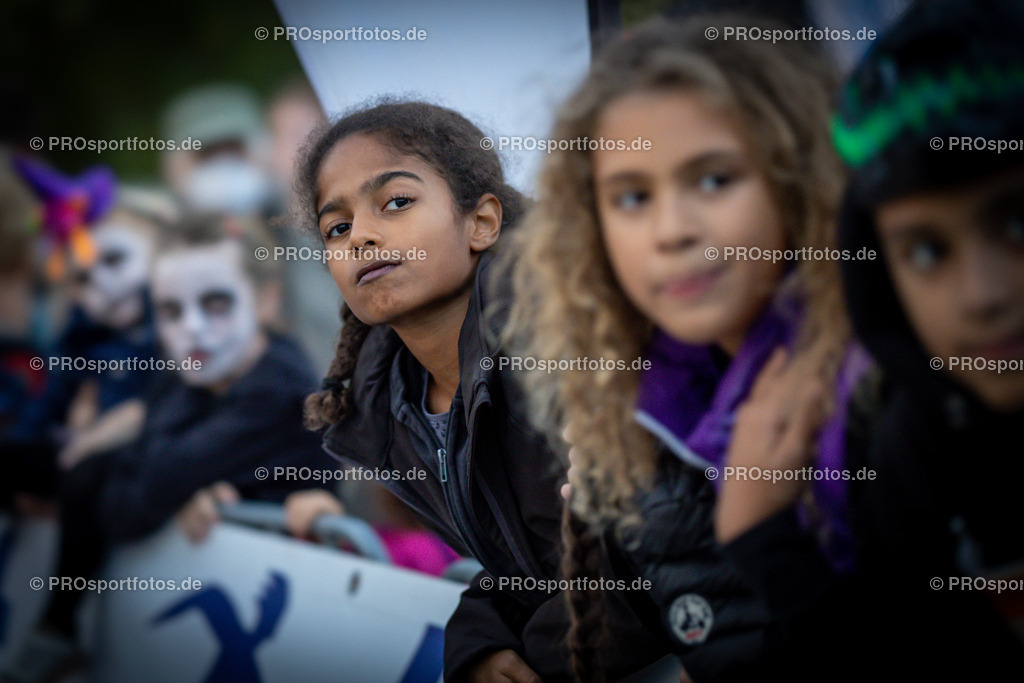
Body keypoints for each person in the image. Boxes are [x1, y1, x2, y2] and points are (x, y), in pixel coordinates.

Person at [504, 16, 866, 682]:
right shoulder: (635, 403)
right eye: (633, 196)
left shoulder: (880, 381)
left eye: (713, 180)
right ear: (592, 226)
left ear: (792, 179)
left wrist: (762, 532)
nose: (672, 230)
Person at [297, 100, 668, 682]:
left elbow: (650, 556)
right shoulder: (390, 405)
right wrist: (478, 641)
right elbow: (531, 562)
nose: (362, 236)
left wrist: (541, 656)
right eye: (336, 227)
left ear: (482, 223)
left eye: (396, 202)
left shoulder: (560, 345)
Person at [714, 0, 1024, 679]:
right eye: (925, 251)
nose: (984, 293)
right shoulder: (916, 443)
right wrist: (763, 539)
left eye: (1016, 224)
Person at [2, 215, 331, 683]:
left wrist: (147, 461)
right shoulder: (195, 373)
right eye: (172, 311)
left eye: (216, 304)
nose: (193, 328)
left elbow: (132, 503)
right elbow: (141, 481)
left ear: (266, 299)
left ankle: (55, 628)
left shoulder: (278, 392)